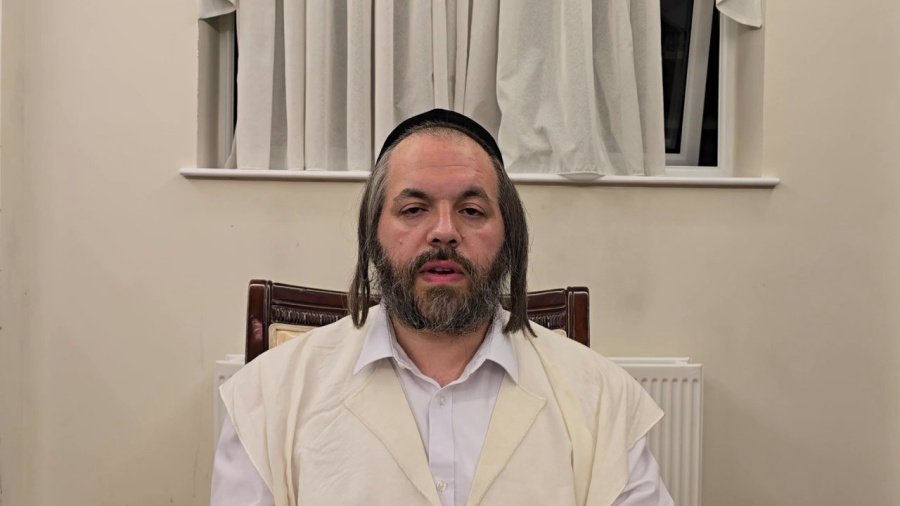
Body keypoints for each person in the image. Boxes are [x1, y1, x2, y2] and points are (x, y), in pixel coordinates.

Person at [211, 109, 673, 506]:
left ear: (509, 235)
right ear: (373, 233)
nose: (445, 232)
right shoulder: (267, 400)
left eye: (472, 211)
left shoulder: (601, 399)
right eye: (414, 209)